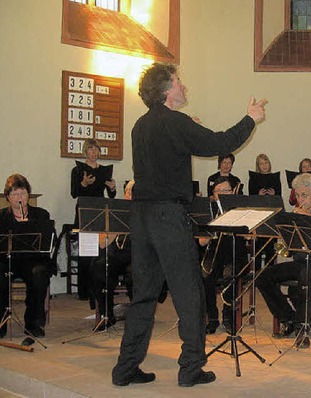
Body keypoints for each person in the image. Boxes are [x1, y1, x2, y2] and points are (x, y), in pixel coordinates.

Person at [111, 62, 266, 387]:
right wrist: (251, 118)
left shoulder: (141, 125)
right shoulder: (176, 122)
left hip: (140, 218)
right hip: (168, 217)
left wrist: (186, 128)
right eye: (178, 81)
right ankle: (191, 368)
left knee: (144, 296)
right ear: (167, 90)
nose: (183, 85)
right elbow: (219, 143)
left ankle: (125, 369)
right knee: (190, 294)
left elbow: (169, 151)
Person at [256, 173, 311, 348]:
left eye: (304, 195)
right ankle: (289, 318)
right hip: (302, 261)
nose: (300, 200)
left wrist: (309, 219)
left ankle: (303, 329)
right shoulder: (295, 213)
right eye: (298, 195)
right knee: (262, 276)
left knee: (306, 274)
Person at [0, 174, 55, 339]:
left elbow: (49, 239)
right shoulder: (1, 217)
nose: (19, 198)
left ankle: (34, 324)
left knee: (39, 276)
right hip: (6, 260)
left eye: (22, 193)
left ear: (28, 195)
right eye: (14, 194)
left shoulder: (41, 214)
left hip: (33, 260)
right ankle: (1, 324)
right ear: (8, 197)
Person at [70, 139, 117, 304]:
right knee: (86, 251)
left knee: (100, 248)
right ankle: (85, 291)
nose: (94, 152)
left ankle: (99, 286)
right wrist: (84, 183)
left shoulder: (104, 170)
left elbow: (111, 195)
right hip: (84, 210)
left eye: (96, 149)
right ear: (85, 152)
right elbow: (74, 193)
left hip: (99, 209)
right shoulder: (77, 170)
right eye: (90, 149)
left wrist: (112, 188)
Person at [199, 176, 248, 334]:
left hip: (235, 254)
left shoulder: (240, 209)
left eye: (225, 190)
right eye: (217, 191)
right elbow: (201, 242)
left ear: (233, 191)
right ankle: (212, 318)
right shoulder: (208, 209)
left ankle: (228, 317)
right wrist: (210, 231)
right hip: (214, 254)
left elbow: (249, 236)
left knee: (230, 276)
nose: (222, 194)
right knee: (205, 276)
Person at [89, 180, 135, 331]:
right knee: (98, 268)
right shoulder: (114, 212)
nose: (130, 195)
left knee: (136, 274)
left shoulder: (146, 213)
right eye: (127, 192)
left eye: (133, 192)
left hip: (136, 257)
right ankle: (107, 315)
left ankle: (138, 318)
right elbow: (101, 244)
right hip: (115, 256)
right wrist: (115, 229)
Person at [248, 153, 280, 270]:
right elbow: (250, 199)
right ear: (258, 166)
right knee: (258, 248)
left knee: (271, 248)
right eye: (261, 163)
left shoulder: (275, 178)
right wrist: (258, 195)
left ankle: (270, 273)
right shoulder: (253, 179)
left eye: (266, 162)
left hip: (271, 216)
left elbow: (279, 198)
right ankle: (256, 274)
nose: (264, 165)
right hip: (258, 217)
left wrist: (273, 195)